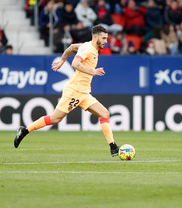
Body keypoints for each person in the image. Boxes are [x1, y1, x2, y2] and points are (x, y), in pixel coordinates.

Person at [14, 25, 120, 157]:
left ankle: (113, 147)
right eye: (104, 38)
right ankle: (24, 130)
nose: (106, 41)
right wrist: (92, 71)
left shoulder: (86, 46)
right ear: (95, 37)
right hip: (75, 91)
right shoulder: (88, 48)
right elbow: (75, 63)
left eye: (106, 38)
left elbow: (71, 47)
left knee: (104, 113)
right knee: (55, 118)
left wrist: (62, 60)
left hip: (84, 92)